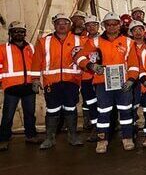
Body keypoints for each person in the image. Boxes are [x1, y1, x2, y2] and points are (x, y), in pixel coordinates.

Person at [76, 13, 135, 154]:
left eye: (115, 24)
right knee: (103, 112)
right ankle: (102, 140)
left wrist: (131, 79)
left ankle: (127, 138)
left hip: (123, 83)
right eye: (108, 24)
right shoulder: (95, 42)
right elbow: (79, 57)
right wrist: (91, 66)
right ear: (104, 26)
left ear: (119, 25)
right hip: (102, 83)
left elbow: (134, 65)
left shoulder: (128, 42)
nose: (112, 27)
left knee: (126, 111)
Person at [32, 14, 83, 149]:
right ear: (54, 25)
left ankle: (73, 136)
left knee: (71, 109)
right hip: (52, 83)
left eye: (65, 23)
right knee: (52, 110)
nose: (61, 25)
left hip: (71, 82)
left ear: (69, 25)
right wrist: (35, 79)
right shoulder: (44, 41)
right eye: (58, 23)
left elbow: (86, 60)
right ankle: (50, 138)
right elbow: (37, 62)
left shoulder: (80, 40)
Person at [0, 21, 41, 150]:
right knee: (8, 116)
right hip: (12, 87)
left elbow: (36, 65)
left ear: (25, 34)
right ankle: (3, 139)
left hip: (29, 87)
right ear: (10, 33)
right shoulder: (3, 48)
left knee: (30, 114)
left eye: (21, 32)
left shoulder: (31, 48)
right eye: (15, 31)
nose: (19, 34)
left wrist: (36, 80)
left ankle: (30, 135)